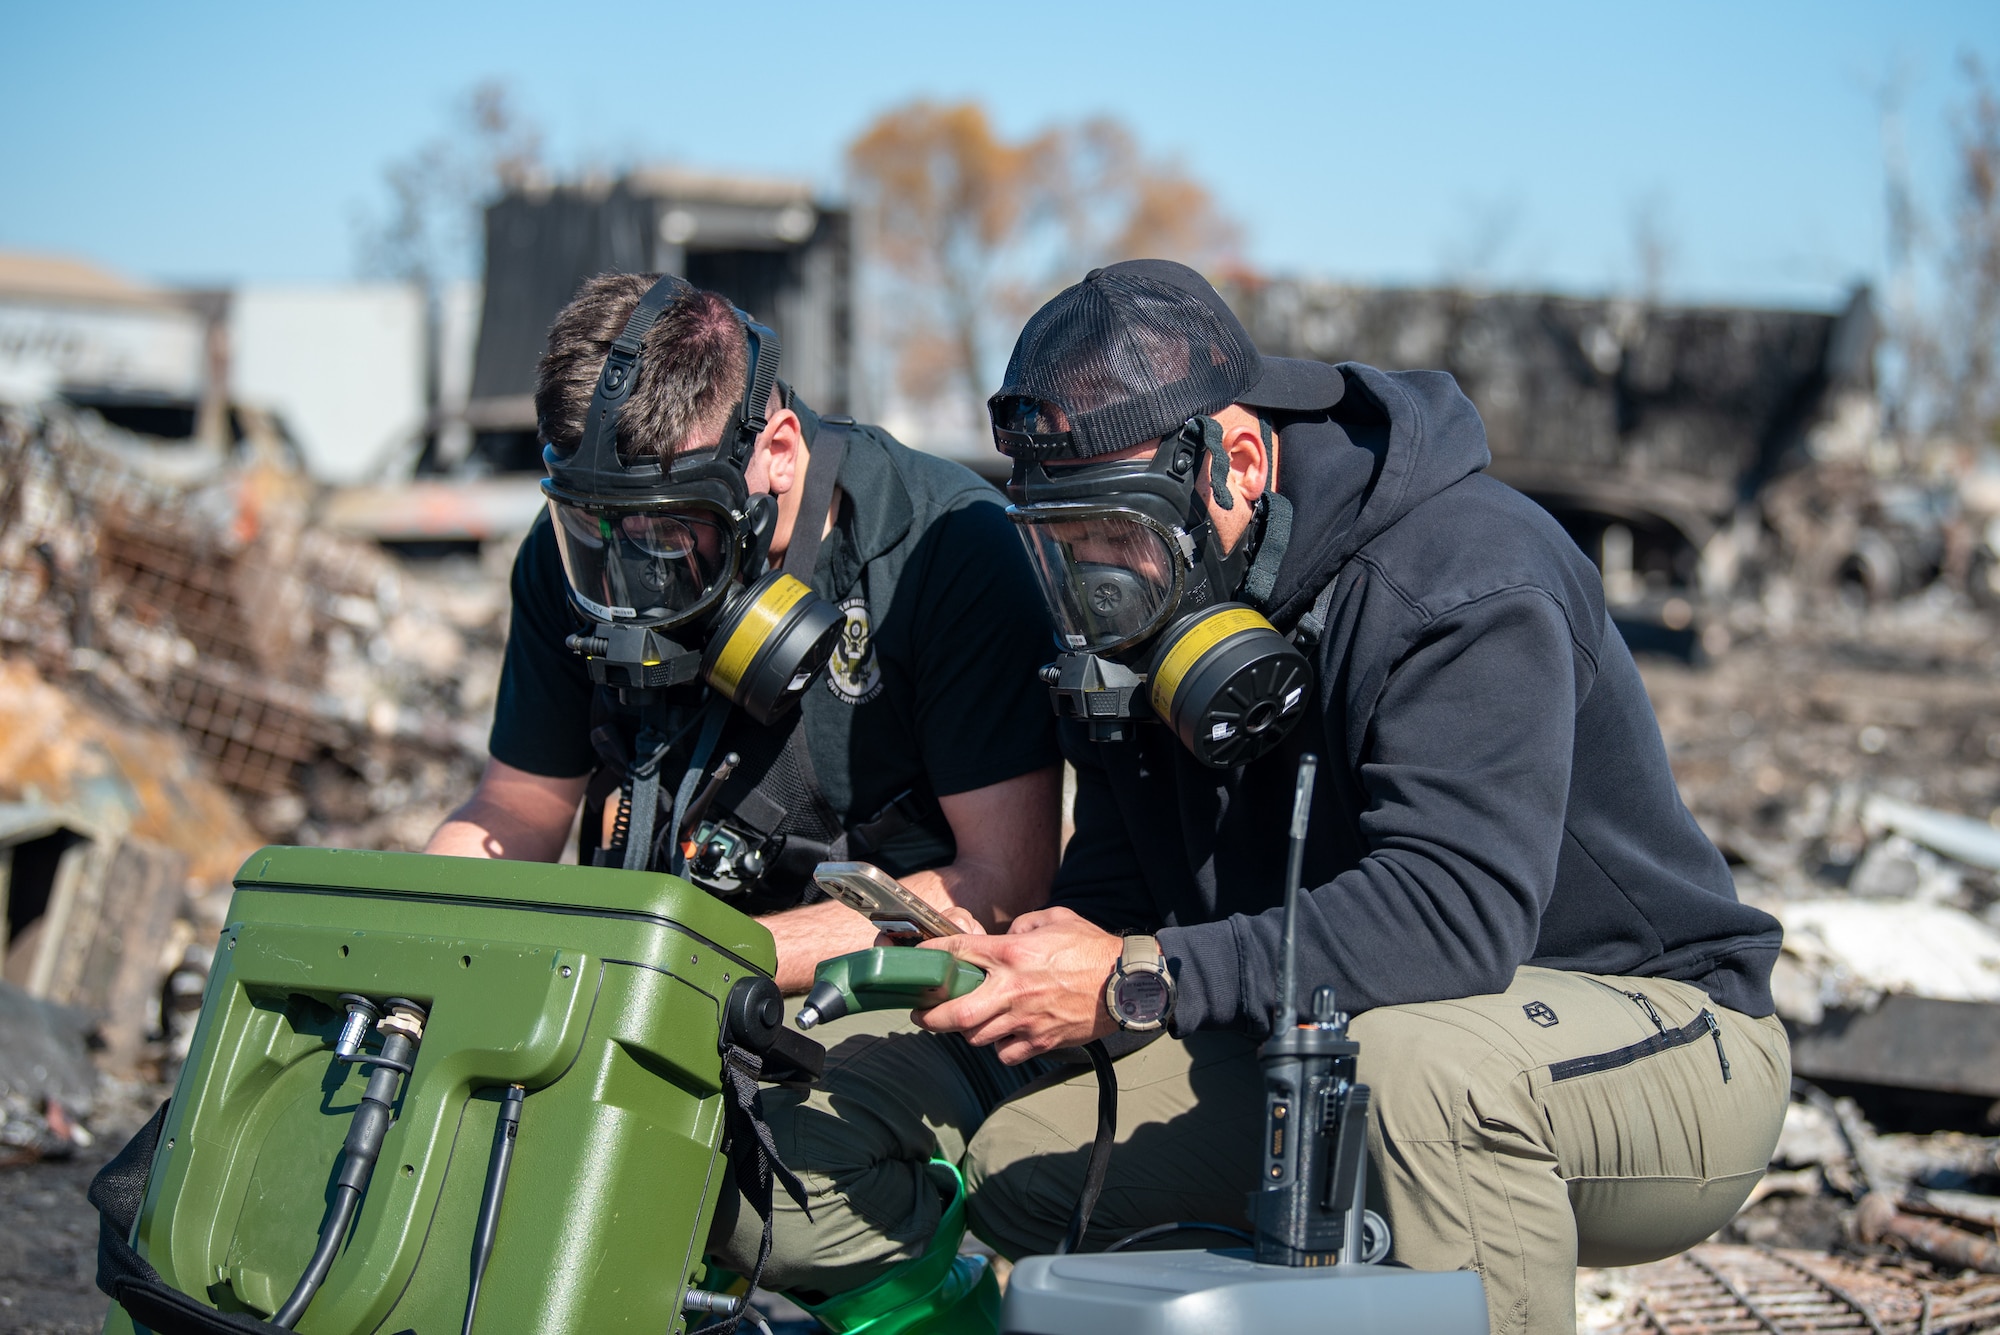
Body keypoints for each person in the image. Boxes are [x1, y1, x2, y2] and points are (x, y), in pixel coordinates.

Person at [907, 259, 1791, 1335]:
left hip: (1659, 1041)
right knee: (1025, 1163)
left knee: (1419, 1080)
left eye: (1113, 534)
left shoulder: (1462, 574)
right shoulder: (1143, 619)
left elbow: (1453, 914)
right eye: (1061, 545)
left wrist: (1139, 982)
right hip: (1336, 1029)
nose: (1095, 583)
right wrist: (1021, 967)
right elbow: (1122, 899)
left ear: (1231, 460)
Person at [425, 273, 1062, 1328]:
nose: (630, 573)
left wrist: (690, 960)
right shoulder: (572, 555)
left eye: (671, 529)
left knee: (759, 1187)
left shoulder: (949, 551)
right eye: (598, 529)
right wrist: (422, 954)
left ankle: (938, 1287)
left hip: (882, 984)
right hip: (647, 968)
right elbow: (517, 807)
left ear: (770, 451)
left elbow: (998, 883)